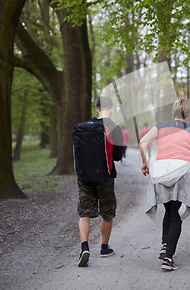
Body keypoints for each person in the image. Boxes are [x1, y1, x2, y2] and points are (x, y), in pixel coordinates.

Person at [139, 99, 190, 271]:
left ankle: (165, 246)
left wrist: (145, 163)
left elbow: (143, 142)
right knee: (176, 215)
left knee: (168, 210)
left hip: (161, 172)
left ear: (174, 112)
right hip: (180, 173)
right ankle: (168, 259)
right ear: (189, 114)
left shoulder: (160, 126)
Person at [77, 96, 123, 267]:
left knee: (85, 213)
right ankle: (104, 248)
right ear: (111, 109)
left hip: (85, 177)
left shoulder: (83, 127)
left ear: (96, 109)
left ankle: (84, 248)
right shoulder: (114, 128)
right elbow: (117, 157)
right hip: (105, 177)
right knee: (107, 213)